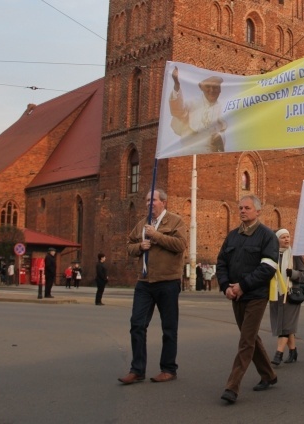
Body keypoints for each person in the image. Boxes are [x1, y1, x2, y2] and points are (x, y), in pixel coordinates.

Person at [118, 189, 187, 385]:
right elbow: (128, 245)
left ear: (163, 202)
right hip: (144, 282)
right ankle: (137, 369)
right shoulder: (142, 224)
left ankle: (168, 368)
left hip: (168, 281)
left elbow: (180, 245)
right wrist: (140, 246)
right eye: (147, 200)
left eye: (153, 200)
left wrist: (156, 236)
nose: (149, 203)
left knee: (169, 328)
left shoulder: (175, 221)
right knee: (137, 325)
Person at [216, 194, 279, 404]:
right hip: (236, 295)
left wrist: (243, 285)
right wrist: (226, 286)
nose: (243, 211)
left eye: (247, 208)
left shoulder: (267, 236)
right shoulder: (232, 236)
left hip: (256, 296)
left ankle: (232, 387)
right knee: (250, 337)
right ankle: (269, 375)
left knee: (245, 340)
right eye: (240, 208)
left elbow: (267, 268)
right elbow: (221, 262)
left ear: (258, 211)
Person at [269, 228, 304, 365]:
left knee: (285, 325)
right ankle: (293, 351)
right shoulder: (272, 255)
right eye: (283, 237)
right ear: (277, 240)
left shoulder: (294, 255)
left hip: (291, 294)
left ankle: (278, 354)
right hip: (276, 294)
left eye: (288, 236)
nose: (286, 239)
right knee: (285, 325)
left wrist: (294, 274)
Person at [169, 67, 227, 153]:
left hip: (211, 154)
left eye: (215, 87)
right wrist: (176, 85)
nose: (212, 90)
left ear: (220, 90)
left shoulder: (224, 107)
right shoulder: (192, 104)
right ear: (201, 87)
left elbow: (228, 131)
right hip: (190, 152)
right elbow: (178, 111)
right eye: (208, 86)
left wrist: (220, 137)